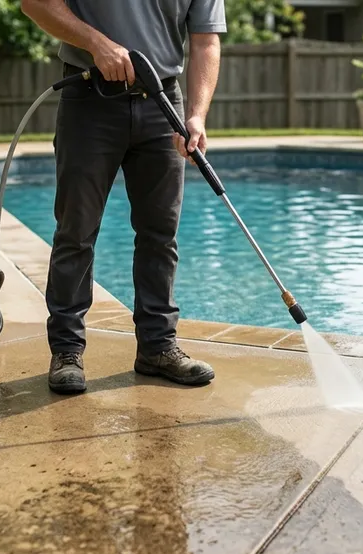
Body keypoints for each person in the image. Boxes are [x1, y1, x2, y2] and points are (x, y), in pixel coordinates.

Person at [20, 0, 227, 395]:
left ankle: (157, 347)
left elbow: (205, 41)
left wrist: (197, 115)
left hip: (163, 102)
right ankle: (66, 351)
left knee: (160, 234)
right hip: (89, 98)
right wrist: (97, 43)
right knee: (76, 231)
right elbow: (35, 4)